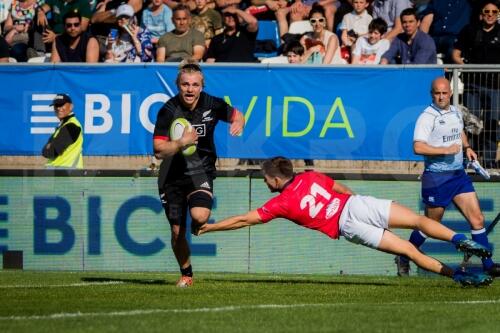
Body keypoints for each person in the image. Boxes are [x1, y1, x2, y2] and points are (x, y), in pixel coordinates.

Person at [194, 156, 493, 287]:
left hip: (347, 225)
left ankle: (459, 276)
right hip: (356, 204)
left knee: (410, 251)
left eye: (265, 178)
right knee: (417, 219)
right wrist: (357, 203)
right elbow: (341, 189)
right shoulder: (310, 176)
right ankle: (458, 238)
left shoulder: (280, 202)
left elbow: (245, 219)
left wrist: (211, 227)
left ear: (274, 178)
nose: (264, 182)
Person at [395, 77, 500, 278]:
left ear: (450, 93)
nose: (441, 97)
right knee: (430, 225)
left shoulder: (455, 111)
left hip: (458, 175)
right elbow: (417, 147)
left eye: (444, 93)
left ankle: (488, 265)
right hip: (437, 178)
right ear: (432, 95)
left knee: (477, 218)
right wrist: (444, 150)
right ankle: (404, 255)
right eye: (437, 93)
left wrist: (467, 148)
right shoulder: (427, 117)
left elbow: (458, 131)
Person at [152, 60, 245, 288]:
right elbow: (158, 149)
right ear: (178, 85)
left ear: (201, 86)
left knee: (200, 217)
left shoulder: (212, 104)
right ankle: (187, 274)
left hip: (200, 170)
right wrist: (181, 142)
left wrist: (238, 123)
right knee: (176, 232)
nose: (190, 89)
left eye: (195, 84)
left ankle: (196, 220)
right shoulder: (168, 110)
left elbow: (237, 115)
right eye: (185, 84)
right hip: (170, 176)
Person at [452, 0, 500, 169]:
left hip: (496, 86)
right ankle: (470, 159)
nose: (490, 14)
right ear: (481, 13)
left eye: (494, 12)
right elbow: (456, 54)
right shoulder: (469, 30)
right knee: (471, 123)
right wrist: (468, 68)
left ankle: (488, 160)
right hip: (473, 84)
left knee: (491, 123)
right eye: (487, 11)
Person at [42, 93, 83, 169]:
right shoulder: (63, 125)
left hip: (65, 173)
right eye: (56, 105)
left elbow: (50, 152)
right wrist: (50, 145)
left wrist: (50, 144)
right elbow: (45, 151)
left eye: (61, 104)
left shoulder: (71, 126)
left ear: (71, 106)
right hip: (61, 172)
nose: (58, 108)